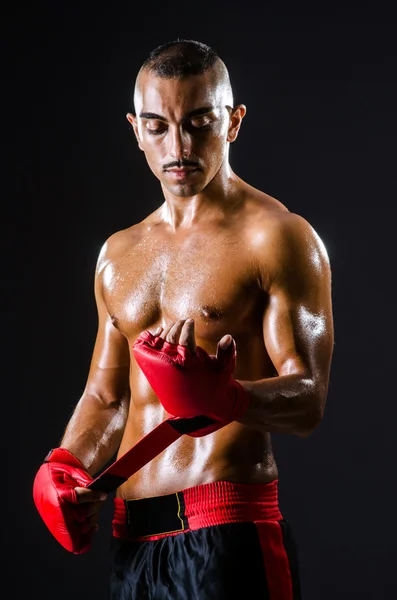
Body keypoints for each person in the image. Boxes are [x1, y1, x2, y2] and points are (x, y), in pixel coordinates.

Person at [33, 39, 334, 600]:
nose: (179, 146)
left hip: (227, 534)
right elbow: (105, 397)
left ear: (234, 121)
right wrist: (65, 464)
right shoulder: (118, 254)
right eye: (157, 127)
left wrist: (231, 399)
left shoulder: (277, 237)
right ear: (135, 129)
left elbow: (310, 399)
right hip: (133, 546)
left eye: (199, 123)